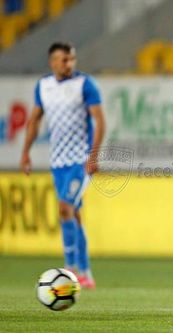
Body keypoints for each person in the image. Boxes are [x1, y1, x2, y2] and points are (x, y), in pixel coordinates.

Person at [20, 42, 105, 289]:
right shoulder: (44, 86)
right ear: (53, 62)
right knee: (74, 215)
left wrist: (93, 156)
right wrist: (26, 152)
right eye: (64, 60)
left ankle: (69, 269)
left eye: (72, 59)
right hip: (58, 163)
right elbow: (34, 120)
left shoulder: (85, 85)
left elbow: (99, 122)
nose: (69, 64)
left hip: (80, 161)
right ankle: (86, 272)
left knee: (64, 208)